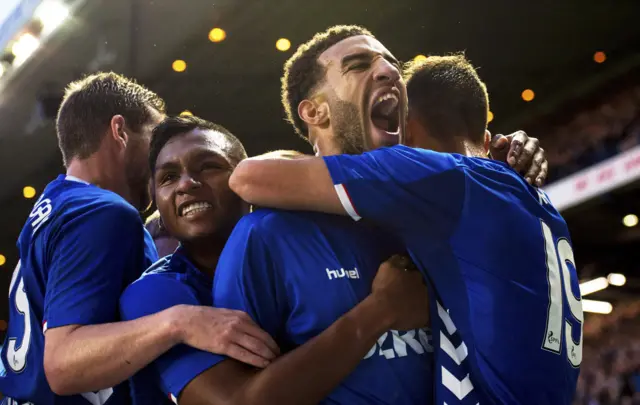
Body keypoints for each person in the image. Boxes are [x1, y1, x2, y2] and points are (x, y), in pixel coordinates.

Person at [228, 28, 580, 405]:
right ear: (314, 111)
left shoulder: (425, 204)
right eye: (359, 65)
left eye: (392, 64)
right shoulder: (264, 236)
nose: (387, 71)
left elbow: (250, 175)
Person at [0, 73, 274, 405]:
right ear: (120, 131)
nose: (159, 155)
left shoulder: (51, 208)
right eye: (154, 138)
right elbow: (63, 365)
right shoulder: (103, 212)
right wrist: (180, 321)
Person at [119, 115, 430, 405]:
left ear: (246, 178)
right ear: (156, 198)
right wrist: (380, 311)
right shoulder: (156, 294)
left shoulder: (305, 243)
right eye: (169, 177)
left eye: (209, 166)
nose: (186, 184)